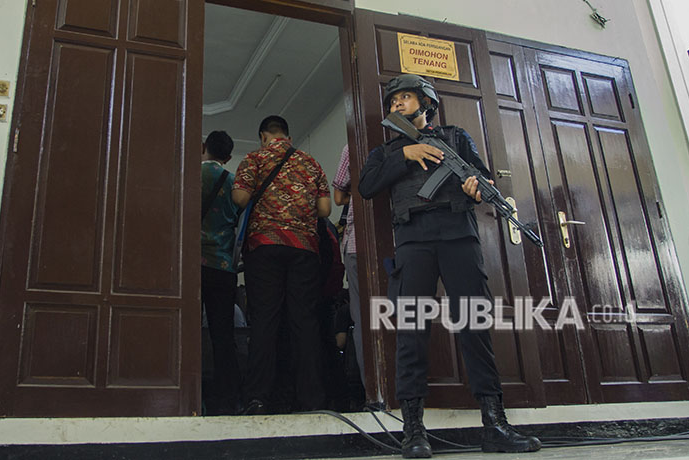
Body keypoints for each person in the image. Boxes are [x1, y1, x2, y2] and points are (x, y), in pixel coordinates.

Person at [358, 75, 541, 458]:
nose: (396, 105)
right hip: (414, 240)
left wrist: (478, 186)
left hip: (459, 235)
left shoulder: (456, 138)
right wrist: (405, 155)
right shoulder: (385, 151)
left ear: (426, 103)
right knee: (412, 330)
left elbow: (481, 175)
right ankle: (413, 431)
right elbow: (366, 186)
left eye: (405, 98)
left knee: (475, 326)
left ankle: (495, 424)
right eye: (392, 101)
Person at [232, 115, 331, 414]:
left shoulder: (254, 158)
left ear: (264, 135)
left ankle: (258, 398)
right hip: (304, 249)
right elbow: (325, 209)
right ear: (287, 135)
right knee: (304, 322)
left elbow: (240, 198)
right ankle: (312, 400)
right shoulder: (311, 163)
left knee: (265, 321)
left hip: (265, 247)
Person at [200, 130, 241, 415]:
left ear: (203, 148)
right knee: (223, 336)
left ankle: (190, 396)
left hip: (191, 266)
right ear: (227, 157)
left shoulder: (189, 175)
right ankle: (230, 400)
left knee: (186, 332)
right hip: (223, 267)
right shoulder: (234, 183)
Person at [332, 143, 366, 390]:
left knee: (363, 319)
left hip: (357, 244)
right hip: (404, 240)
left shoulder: (353, 146)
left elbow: (338, 197)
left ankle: (373, 390)